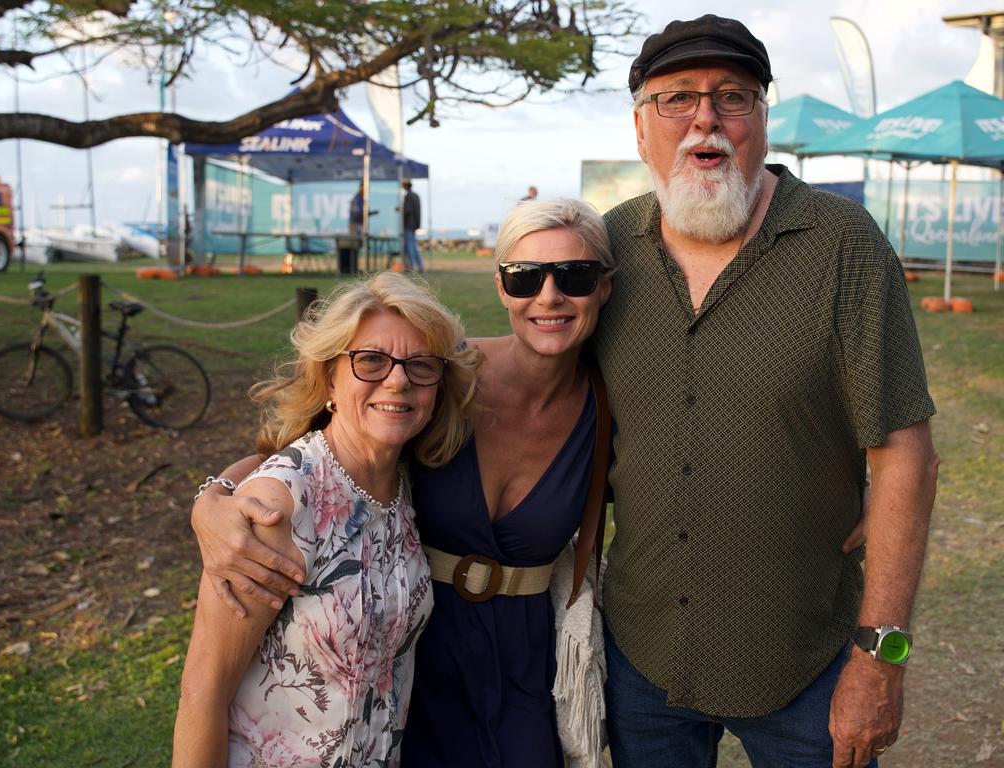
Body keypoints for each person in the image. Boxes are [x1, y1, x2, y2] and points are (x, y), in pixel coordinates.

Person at [593, 14, 938, 768]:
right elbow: (526, 361)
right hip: (642, 658)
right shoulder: (607, 249)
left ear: (761, 121)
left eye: (733, 97)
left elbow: (907, 452)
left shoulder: (843, 244)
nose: (705, 119)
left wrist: (882, 659)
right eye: (676, 99)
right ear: (639, 128)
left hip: (805, 660)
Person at [189, 199, 615, 767]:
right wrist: (213, 501)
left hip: (521, 661)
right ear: (501, 286)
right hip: (416, 648)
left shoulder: (609, 406)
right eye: (526, 276)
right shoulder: (445, 374)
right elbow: (307, 449)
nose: (549, 295)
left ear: (604, 288)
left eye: (576, 276)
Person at [172, 272, 479, 767]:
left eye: (420, 365)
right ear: (329, 377)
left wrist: (215, 487)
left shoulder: (407, 483)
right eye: (371, 360)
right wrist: (212, 499)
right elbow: (201, 695)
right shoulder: (279, 507)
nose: (397, 379)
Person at [401, 180, 424, 272]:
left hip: (408, 225)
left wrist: (401, 210)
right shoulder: (416, 195)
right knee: (414, 246)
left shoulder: (408, 196)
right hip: (414, 224)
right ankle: (420, 266)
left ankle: (411, 266)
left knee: (410, 246)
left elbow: (408, 211)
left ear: (405, 186)